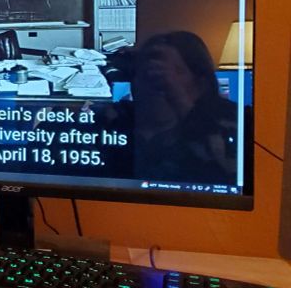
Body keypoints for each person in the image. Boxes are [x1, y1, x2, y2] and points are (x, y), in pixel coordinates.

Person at [101, 31, 241, 185]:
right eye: (146, 70)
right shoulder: (114, 120)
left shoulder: (231, 122)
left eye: (176, 71)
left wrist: (179, 100)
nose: (157, 78)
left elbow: (227, 177)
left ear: (201, 83)